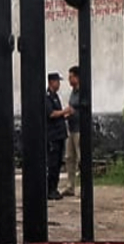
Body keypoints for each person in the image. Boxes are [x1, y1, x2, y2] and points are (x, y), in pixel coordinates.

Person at [45, 72, 72, 201]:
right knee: (53, 164)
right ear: (51, 82)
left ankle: (54, 188)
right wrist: (64, 111)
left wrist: (65, 115)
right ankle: (50, 190)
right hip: (53, 136)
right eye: (57, 81)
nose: (59, 84)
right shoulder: (47, 97)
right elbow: (51, 114)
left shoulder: (55, 96)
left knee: (58, 163)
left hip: (60, 135)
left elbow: (58, 115)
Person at [64, 66, 85, 197]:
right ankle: (70, 186)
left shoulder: (83, 92)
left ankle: (84, 187)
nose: (69, 79)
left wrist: (73, 112)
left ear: (77, 77)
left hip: (79, 129)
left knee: (81, 158)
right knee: (69, 157)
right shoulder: (73, 92)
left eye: (71, 77)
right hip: (71, 128)